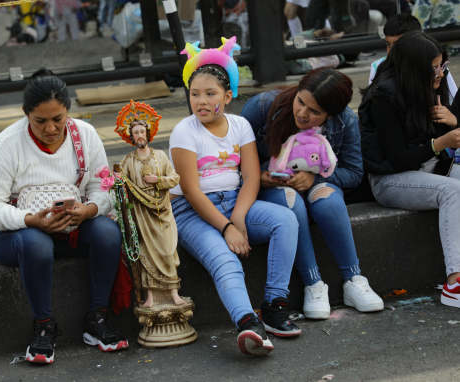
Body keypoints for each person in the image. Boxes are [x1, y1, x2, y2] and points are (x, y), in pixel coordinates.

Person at [0, 68, 128, 364]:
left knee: (108, 233)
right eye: (40, 121)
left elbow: (104, 188)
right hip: (15, 236)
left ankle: (96, 321)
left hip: (71, 227)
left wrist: (88, 210)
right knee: (36, 243)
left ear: (68, 111)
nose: (50, 128)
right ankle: (44, 328)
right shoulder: (6, 146)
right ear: (25, 114)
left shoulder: (84, 135)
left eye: (58, 119)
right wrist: (30, 220)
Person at [170, 37, 300, 357]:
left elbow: (252, 177)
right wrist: (227, 228)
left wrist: (238, 217)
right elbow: (190, 190)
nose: (201, 101)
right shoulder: (184, 132)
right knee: (225, 259)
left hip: (234, 200)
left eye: (210, 94)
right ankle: (247, 324)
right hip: (191, 210)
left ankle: (273, 305)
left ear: (228, 96)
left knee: (285, 220)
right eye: (195, 94)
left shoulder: (240, 125)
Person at [241, 68, 384, 320]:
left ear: (331, 114)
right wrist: (257, 177)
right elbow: (233, 159)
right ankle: (313, 284)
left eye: (315, 112)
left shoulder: (345, 121)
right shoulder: (263, 106)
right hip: (273, 188)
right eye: (300, 101)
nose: (302, 113)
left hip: (317, 184)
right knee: (291, 201)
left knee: (327, 201)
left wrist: (314, 177)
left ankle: (354, 279)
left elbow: (353, 171)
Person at [358, 31, 460, 309]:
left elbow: (437, 139)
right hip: (389, 180)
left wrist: (451, 121)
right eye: (434, 67)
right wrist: (441, 142)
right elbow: (400, 159)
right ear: (414, 68)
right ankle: (455, 283)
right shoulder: (383, 99)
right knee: (453, 191)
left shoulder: (425, 86)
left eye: (442, 66)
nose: (440, 73)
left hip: (425, 167)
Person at [115, 100, 186, 308]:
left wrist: (159, 181)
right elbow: (123, 185)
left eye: (141, 131)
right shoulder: (128, 160)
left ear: (148, 133)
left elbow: (175, 179)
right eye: (135, 133)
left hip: (161, 209)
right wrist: (116, 181)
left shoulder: (161, 156)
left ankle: (174, 293)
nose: (139, 135)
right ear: (131, 137)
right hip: (141, 212)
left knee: (167, 250)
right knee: (145, 251)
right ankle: (151, 298)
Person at [368, 13, 458, 99]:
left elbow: (452, 99)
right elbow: (373, 98)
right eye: (388, 44)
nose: (391, 51)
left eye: (398, 46)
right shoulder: (378, 66)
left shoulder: (436, 66)